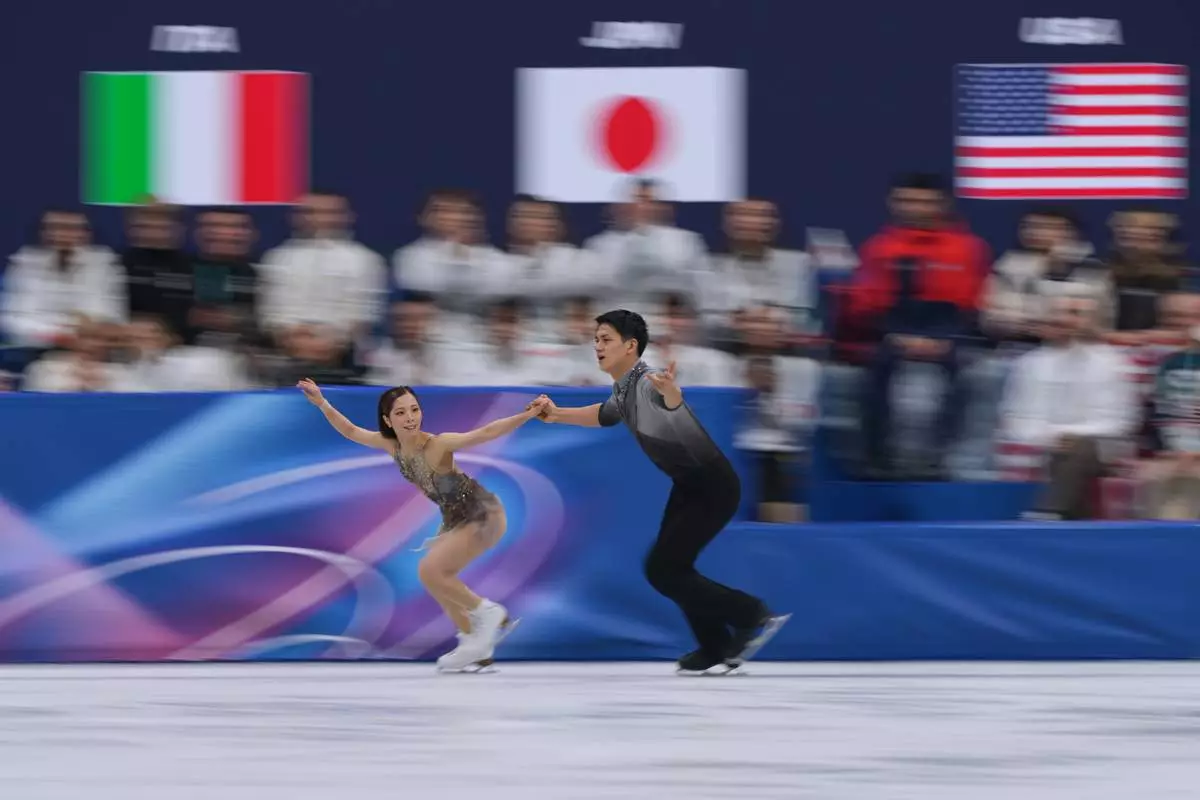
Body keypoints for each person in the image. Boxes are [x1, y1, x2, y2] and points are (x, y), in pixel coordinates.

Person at [532, 309, 789, 674]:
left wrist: (672, 395)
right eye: (596, 340)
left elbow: (670, 402)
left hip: (711, 486)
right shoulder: (625, 386)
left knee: (664, 570)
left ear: (630, 345)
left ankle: (750, 613)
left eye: (605, 339)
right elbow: (604, 414)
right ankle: (714, 646)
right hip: (690, 485)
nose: (597, 346)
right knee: (672, 569)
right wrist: (556, 415)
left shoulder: (648, 382)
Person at [298, 379, 543, 672]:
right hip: (458, 518)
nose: (410, 417)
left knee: (431, 570)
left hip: (483, 513)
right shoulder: (391, 445)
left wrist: (526, 415)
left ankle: (487, 613)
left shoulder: (437, 445)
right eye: (401, 413)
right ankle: (474, 646)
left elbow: (486, 432)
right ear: (388, 420)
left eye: (414, 409)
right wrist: (322, 403)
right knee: (434, 577)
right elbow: (351, 431)